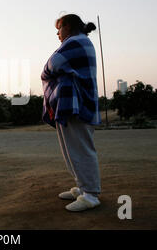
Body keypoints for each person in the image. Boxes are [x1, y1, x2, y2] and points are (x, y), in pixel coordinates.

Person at [41, 14, 102, 212]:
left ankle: (91, 195)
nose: (57, 33)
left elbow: (51, 65)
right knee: (72, 150)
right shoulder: (79, 42)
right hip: (71, 104)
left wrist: (50, 73)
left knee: (80, 149)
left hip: (77, 104)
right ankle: (83, 189)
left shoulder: (76, 42)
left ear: (68, 26)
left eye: (59, 28)